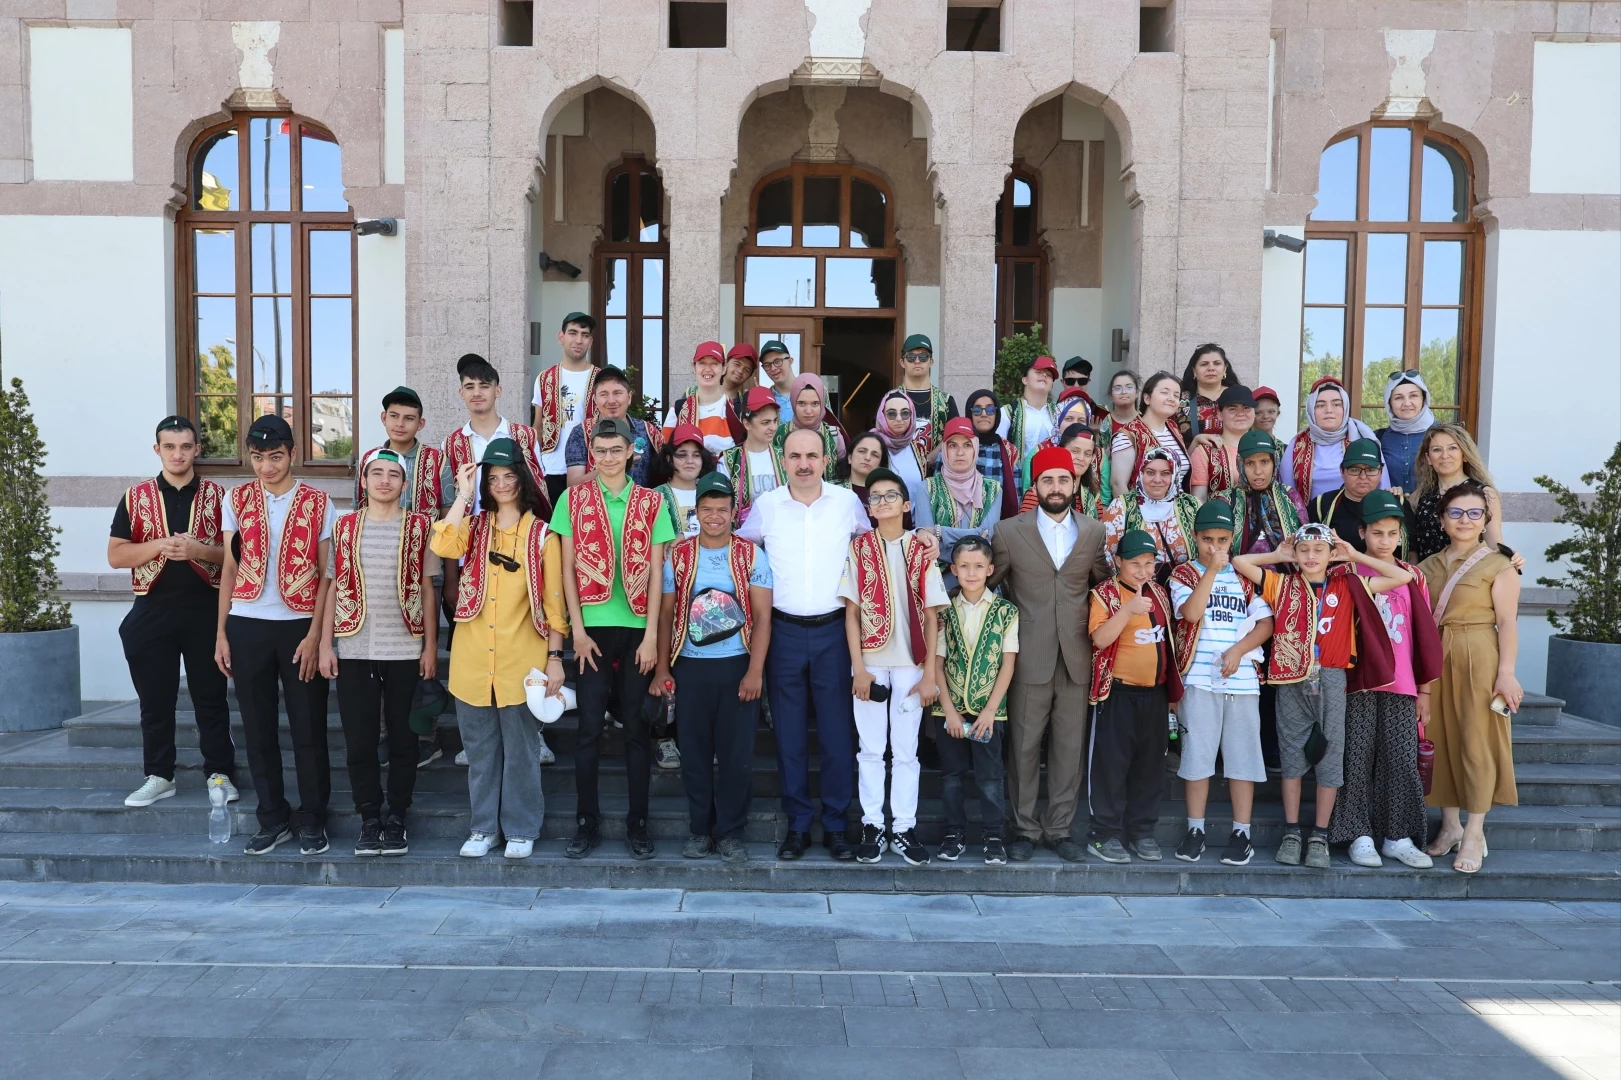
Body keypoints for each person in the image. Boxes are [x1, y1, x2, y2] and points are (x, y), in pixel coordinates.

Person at [739, 428, 933, 861]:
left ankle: (835, 825)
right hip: (784, 633)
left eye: (811, 455)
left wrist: (923, 536)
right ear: (782, 460)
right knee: (789, 736)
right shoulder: (767, 506)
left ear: (826, 460)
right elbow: (737, 547)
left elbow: (883, 538)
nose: (803, 463)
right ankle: (797, 826)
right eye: (795, 456)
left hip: (835, 632)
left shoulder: (846, 502)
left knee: (836, 735)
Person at [1234, 524, 1406, 869]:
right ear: (1295, 554)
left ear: (1331, 554)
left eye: (1319, 550)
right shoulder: (1281, 584)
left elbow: (1401, 578)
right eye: (1304, 550)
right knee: (1293, 756)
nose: (1311, 557)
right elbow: (1239, 561)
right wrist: (1276, 556)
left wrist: (1355, 555)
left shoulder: (1348, 583)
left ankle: (1320, 835)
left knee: (1330, 756)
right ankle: (1292, 830)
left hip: (1330, 677)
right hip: (1291, 680)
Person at [431, 440, 566, 860]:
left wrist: (555, 658)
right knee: (480, 752)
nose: (502, 484)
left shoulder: (542, 535)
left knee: (523, 752)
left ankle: (522, 828)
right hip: (472, 660)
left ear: (522, 480)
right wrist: (464, 494)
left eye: (509, 476)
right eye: (494, 478)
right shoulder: (473, 528)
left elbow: (554, 604)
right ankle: (483, 827)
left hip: (522, 660)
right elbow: (442, 544)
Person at [553, 417, 677, 860]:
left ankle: (637, 823)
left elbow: (659, 571)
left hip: (637, 631)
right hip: (593, 632)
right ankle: (586, 822)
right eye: (600, 451)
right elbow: (566, 568)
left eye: (615, 450)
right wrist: (578, 632)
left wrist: (650, 639)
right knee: (587, 730)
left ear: (631, 453)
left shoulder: (650, 501)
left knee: (636, 731)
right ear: (593, 455)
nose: (607, 458)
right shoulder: (573, 498)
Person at [214, 414, 336, 857]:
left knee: (308, 728)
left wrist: (315, 635)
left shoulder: (320, 502)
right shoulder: (236, 499)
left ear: (293, 454)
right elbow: (229, 568)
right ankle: (272, 817)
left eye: (276, 456)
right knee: (258, 728)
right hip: (247, 624)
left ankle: (312, 818)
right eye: (258, 457)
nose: (266, 466)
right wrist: (222, 632)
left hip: (298, 625)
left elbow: (327, 576)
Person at [989, 445, 1111, 862]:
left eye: (1063, 479)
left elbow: (1103, 587)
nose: (1056, 487)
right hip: (1027, 657)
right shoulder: (1009, 531)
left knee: (1068, 748)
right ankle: (1023, 829)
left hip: (1077, 656)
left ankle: (1059, 829)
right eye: (1047, 480)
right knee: (1022, 747)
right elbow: (988, 587)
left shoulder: (1094, 532)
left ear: (1074, 483)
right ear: (1034, 485)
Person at [110, 415, 236, 809]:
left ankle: (219, 773)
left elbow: (240, 556)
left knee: (211, 699)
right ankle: (160, 775)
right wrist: (160, 545)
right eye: (170, 446)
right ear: (157, 449)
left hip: (205, 609)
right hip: (153, 609)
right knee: (155, 700)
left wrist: (199, 550)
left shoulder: (221, 497)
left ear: (197, 449)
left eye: (185, 446)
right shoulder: (136, 496)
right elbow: (116, 555)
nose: (178, 454)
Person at [318, 449, 440, 857]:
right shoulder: (345, 526)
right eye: (377, 473)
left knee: (405, 740)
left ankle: (397, 818)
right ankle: (369, 818)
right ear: (364, 481)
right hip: (354, 647)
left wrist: (430, 647)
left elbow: (427, 587)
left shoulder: (420, 526)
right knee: (360, 740)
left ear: (405, 485)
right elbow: (333, 585)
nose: (385, 480)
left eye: (393, 475)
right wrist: (325, 645)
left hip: (405, 646)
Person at [653, 472, 773, 865]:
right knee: (695, 754)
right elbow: (667, 614)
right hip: (689, 667)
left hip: (736, 666)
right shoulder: (680, 555)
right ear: (697, 512)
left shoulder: (751, 555)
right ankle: (699, 830)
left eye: (722, 509)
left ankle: (731, 833)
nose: (715, 516)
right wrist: (661, 670)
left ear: (733, 512)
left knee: (736, 755)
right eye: (707, 509)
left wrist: (755, 672)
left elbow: (762, 617)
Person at [1328, 490, 1443, 869]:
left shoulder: (1415, 577)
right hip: (1358, 680)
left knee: (1401, 757)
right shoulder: (1346, 573)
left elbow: (1423, 632)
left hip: (1403, 682)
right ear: (1361, 531)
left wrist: (1424, 689)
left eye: (1393, 534)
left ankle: (1398, 835)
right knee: (1356, 756)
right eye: (1377, 533)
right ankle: (1358, 833)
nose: (1385, 541)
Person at [839, 467, 947, 865]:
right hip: (869, 662)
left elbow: (933, 616)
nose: (882, 502)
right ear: (868, 507)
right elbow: (850, 613)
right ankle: (873, 824)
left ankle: (903, 826)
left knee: (905, 752)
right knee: (870, 749)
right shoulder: (859, 548)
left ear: (906, 505)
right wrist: (859, 669)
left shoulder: (922, 550)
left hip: (911, 665)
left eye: (890, 496)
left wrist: (930, 675)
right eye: (876, 496)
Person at [1419, 481, 1522, 874]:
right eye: (1456, 513)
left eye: (1474, 513)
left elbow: (1508, 624)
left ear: (1486, 520)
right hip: (1436, 655)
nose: (1465, 520)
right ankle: (1450, 826)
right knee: (1440, 739)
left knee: (1477, 742)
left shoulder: (1500, 564)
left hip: (1479, 652)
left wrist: (1507, 674)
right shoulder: (1427, 566)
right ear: (1443, 520)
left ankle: (1475, 831)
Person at [1167, 500, 1275, 867]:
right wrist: (1211, 571)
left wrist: (1238, 650)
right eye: (1207, 539)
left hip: (1242, 681)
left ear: (1232, 539)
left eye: (1222, 540)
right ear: (1195, 537)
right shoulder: (1183, 574)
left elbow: (1266, 624)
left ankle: (1240, 833)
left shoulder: (1245, 576)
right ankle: (1195, 830)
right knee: (1197, 759)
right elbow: (1192, 613)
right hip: (1198, 680)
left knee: (1242, 760)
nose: (1215, 547)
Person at [1085, 529, 1183, 864]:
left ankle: (1142, 832)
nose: (1143, 571)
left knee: (1150, 768)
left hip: (1154, 696)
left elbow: (1167, 644)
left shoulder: (1159, 591)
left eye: (1149, 563)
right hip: (1117, 695)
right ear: (1118, 562)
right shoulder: (1104, 594)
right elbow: (1099, 639)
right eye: (1135, 564)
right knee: (1110, 768)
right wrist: (1127, 610)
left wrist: (1171, 692)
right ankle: (1103, 835)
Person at [933, 536, 1017, 865]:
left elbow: (1007, 662)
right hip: (949, 709)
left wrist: (990, 711)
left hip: (989, 712)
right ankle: (954, 834)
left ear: (990, 569)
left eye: (978, 566)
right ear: (953, 569)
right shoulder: (942, 611)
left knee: (991, 777)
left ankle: (993, 836)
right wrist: (950, 713)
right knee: (952, 776)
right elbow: (937, 664)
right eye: (964, 566)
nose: (971, 573)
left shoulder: (1006, 611)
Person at [1409, 423, 1510, 563]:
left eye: (1452, 448)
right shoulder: (1418, 497)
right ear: (1428, 458)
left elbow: (1494, 542)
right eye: (1437, 450)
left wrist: (1510, 557)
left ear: (1465, 455)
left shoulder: (1485, 494)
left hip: (1468, 578)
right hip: (1428, 578)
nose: (1445, 455)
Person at [925, 417, 1002, 586]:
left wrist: (940, 533)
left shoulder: (993, 489)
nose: (960, 452)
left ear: (975, 449)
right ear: (944, 449)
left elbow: (986, 535)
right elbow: (926, 541)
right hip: (939, 583)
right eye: (953, 445)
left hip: (980, 581)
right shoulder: (927, 488)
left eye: (967, 445)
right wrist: (975, 535)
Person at [1282, 376, 1386, 501]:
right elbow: (1287, 493)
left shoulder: (1364, 440)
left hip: (1359, 518)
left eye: (1336, 404)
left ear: (1345, 408)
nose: (1329, 410)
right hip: (1309, 518)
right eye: (1320, 405)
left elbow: (1383, 486)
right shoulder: (1297, 444)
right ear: (1311, 410)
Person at [532, 311, 598, 506]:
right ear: (561, 337)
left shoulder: (600, 380)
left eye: (585, 335)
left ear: (590, 341)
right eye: (573, 333)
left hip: (588, 468)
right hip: (551, 468)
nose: (578, 340)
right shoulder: (545, 378)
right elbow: (537, 427)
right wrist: (537, 466)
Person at [1099, 449, 1198, 575]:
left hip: (1184, 589)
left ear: (1174, 476)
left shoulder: (1191, 505)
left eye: (1165, 473)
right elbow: (1106, 556)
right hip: (1136, 589)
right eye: (1150, 473)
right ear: (1141, 473)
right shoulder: (1122, 506)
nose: (1157, 480)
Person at [564, 365, 661, 489]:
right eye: (604, 394)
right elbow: (572, 486)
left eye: (617, 393)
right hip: (594, 507)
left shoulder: (648, 431)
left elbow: (666, 475)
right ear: (595, 400)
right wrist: (617, 466)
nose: (611, 400)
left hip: (640, 506)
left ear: (629, 397)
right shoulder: (581, 432)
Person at [1308, 437, 1409, 555]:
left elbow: (1412, 553)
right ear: (1342, 471)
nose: (1363, 476)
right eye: (1355, 470)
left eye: (1370, 470)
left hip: (1392, 573)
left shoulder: (1398, 503)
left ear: (1381, 471)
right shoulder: (1322, 505)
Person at [356, 386, 445, 514]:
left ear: (420, 424)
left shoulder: (438, 460)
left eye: (409, 418)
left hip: (425, 533)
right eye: (394, 416)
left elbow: (447, 511)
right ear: (384, 418)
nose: (400, 424)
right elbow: (358, 506)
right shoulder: (369, 459)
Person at [1224, 430, 1305, 555]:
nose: (1258, 471)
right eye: (1250, 463)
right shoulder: (1227, 501)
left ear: (1275, 462)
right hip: (1239, 573)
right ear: (1240, 464)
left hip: (1284, 574)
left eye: (1264, 462)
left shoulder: (1289, 496)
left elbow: (1305, 544)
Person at [1112, 371, 1189, 497]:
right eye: (1164, 393)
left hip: (1177, 511)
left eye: (1176, 395)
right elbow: (1118, 485)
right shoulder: (1128, 435)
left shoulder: (1173, 428)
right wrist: (1133, 516)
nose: (1171, 398)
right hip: (1144, 512)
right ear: (1147, 398)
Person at [664, 340, 746, 453]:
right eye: (702, 363)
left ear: (724, 368)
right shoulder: (678, 409)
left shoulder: (737, 411)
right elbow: (664, 455)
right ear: (694, 367)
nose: (708, 369)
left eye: (714, 363)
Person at [722, 386, 786, 525]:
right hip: (742, 539)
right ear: (747, 424)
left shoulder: (784, 457)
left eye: (775, 421)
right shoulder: (728, 460)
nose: (773, 427)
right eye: (765, 422)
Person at [998, 355, 1060, 493]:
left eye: (1049, 375)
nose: (1044, 375)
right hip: (1017, 484)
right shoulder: (1008, 412)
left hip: (1052, 484)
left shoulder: (1060, 414)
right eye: (1038, 372)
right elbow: (999, 453)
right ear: (1025, 379)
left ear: (1052, 385)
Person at [1189, 385, 1258, 502]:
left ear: (1254, 413)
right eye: (1233, 409)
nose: (1241, 413)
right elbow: (1198, 501)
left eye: (1246, 408)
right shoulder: (1205, 452)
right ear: (1220, 414)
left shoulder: (1265, 447)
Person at [772, 372, 846, 480]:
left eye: (815, 403)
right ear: (793, 403)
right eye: (801, 403)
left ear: (822, 404)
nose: (808, 411)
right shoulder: (778, 434)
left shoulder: (834, 435)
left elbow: (843, 475)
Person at [647, 424, 715, 540]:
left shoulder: (714, 494)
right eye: (682, 455)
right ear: (669, 459)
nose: (690, 461)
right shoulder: (653, 497)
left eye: (696, 455)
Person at [963, 389, 1021, 519]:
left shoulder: (1009, 451)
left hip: (999, 526)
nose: (984, 414)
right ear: (969, 413)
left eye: (990, 410)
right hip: (959, 524)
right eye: (977, 410)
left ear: (997, 414)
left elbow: (1017, 497)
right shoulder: (955, 447)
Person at [872, 389, 931, 518]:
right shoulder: (871, 445)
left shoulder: (919, 448)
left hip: (913, 525)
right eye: (892, 414)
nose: (899, 419)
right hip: (879, 523)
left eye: (905, 413)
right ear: (882, 416)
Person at [1375, 371, 1435, 497]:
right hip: (1392, 512)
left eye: (1413, 396)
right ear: (1389, 403)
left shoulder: (1443, 434)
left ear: (1424, 398)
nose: (1407, 403)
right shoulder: (1379, 438)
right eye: (1398, 398)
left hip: (1434, 512)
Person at [897, 333, 957, 456]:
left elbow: (955, 436)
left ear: (931, 361)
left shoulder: (946, 401)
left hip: (937, 471)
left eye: (923, 357)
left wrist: (931, 458)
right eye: (911, 357)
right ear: (902, 362)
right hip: (898, 471)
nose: (917, 361)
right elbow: (880, 435)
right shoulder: (890, 399)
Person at [1177, 343, 1239, 441]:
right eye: (1204, 364)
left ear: (1225, 369)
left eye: (1217, 363)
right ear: (1194, 371)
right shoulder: (1179, 401)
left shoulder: (1239, 396)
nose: (1211, 368)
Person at [1096, 369, 1140, 497]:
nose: (1123, 392)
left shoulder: (1145, 421)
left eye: (1129, 387)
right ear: (1111, 395)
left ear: (1137, 393)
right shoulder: (1104, 423)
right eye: (1117, 388)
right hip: (1108, 489)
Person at [1060, 357, 1105, 424]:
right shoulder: (1051, 410)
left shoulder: (1098, 413)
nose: (1076, 386)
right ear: (1062, 382)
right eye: (1070, 381)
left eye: (1082, 381)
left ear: (1088, 381)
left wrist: (1095, 433)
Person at [759, 339, 797, 414]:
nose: (773, 368)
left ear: (790, 361)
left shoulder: (812, 391)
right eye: (767, 365)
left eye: (777, 361)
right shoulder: (766, 398)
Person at [722, 342, 759, 408]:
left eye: (747, 370)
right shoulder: (701, 397)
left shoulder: (746, 408)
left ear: (749, 376)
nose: (740, 371)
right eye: (737, 364)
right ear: (725, 363)